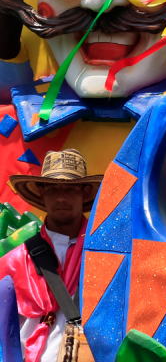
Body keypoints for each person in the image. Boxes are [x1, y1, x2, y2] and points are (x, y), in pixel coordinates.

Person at [0, 149, 102, 362]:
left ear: (84, 193)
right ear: (41, 193)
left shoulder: (105, 255)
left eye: (70, 189)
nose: (61, 197)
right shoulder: (13, 262)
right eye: (52, 189)